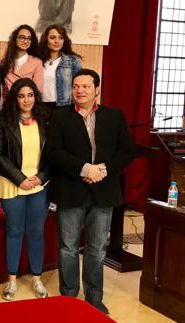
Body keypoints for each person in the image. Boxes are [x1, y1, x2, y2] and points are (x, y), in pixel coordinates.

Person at [48, 68, 135, 315]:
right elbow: (54, 154)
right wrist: (85, 168)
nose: (80, 90)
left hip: (104, 191)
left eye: (86, 86)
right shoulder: (59, 116)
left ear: (97, 89)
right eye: (76, 86)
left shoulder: (114, 116)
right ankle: (68, 298)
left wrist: (104, 170)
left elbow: (126, 151)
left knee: (97, 248)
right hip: (71, 190)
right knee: (67, 247)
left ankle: (94, 298)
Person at [0, 78, 50, 301]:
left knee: (36, 232)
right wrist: (20, 179)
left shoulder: (45, 120)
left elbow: (52, 155)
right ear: (14, 98)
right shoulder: (4, 121)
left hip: (39, 184)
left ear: (35, 97)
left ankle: (37, 278)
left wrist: (40, 178)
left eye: (30, 95)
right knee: (15, 231)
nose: (26, 100)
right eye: (21, 95)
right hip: (12, 183)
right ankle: (12, 280)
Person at [39, 24, 83, 110]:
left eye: (61, 37)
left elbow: (79, 86)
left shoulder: (73, 60)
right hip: (40, 107)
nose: (57, 41)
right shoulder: (37, 60)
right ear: (45, 40)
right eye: (52, 37)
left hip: (64, 107)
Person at [0, 24, 43, 99]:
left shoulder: (37, 62)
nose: (26, 41)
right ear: (15, 39)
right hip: (8, 105)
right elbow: (1, 88)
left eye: (29, 38)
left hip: (27, 104)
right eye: (22, 37)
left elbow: (38, 91)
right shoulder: (4, 62)